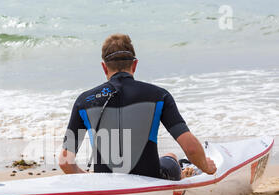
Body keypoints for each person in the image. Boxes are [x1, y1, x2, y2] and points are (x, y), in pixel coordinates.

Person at [59, 34, 216, 180]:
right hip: (153, 180)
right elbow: (191, 149)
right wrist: (207, 167)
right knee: (171, 156)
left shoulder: (84, 101)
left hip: (107, 185)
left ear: (104, 67)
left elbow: (65, 161)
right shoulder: (159, 95)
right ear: (134, 65)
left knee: (168, 158)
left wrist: (90, 180)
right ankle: (186, 167)